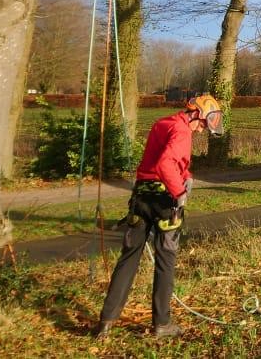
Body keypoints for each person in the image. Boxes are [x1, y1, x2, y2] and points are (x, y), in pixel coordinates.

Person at [93, 94, 224, 338]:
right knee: (165, 261)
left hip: (141, 198)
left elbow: (161, 159)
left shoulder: (163, 124)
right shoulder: (183, 132)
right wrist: (179, 192)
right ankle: (162, 323)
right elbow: (165, 164)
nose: (201, 130)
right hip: (164, 203)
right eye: (202, 124)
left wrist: (186, 174)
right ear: (196, 114)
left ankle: (106, 321)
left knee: (128, 258)